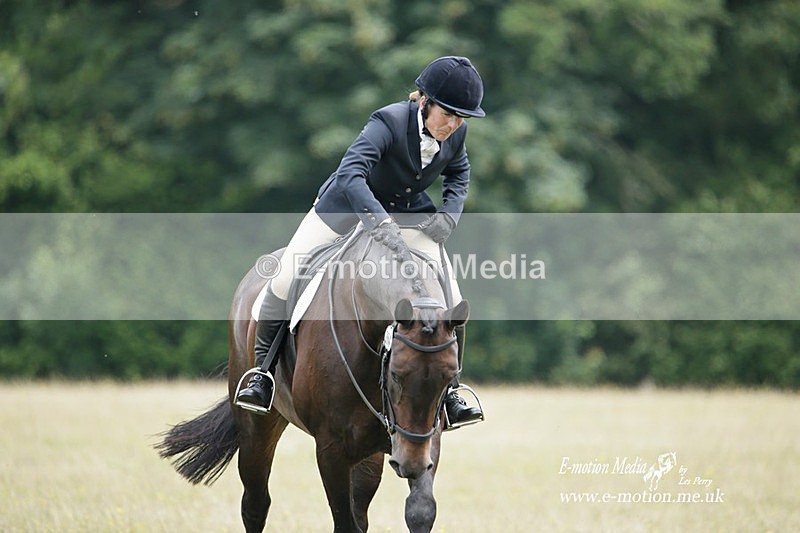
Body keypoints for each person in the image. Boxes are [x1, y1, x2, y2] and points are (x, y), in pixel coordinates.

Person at [237, 56, 485, 426]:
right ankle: (262, 375)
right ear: (424, 101)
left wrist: (449, 215)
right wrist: (377, 219)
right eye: (448, 114)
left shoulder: (456, 134)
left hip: (408, 217)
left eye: (461, 118)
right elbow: (351, 173)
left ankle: (451, 391)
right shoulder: (387, 122)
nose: (453, 124)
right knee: (286, 275)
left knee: (450, 294)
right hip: (344, 209)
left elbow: (459, 173)